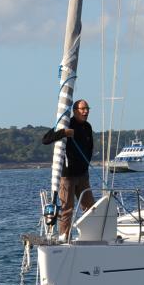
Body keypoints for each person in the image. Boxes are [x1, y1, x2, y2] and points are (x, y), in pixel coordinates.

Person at [42, 99, 95, 240]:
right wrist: (63, 132)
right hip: (67, 175)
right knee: (67, 208)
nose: (86, 111)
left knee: (90, 207)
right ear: (75, 111)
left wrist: (86, 165)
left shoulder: (87, 127)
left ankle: (92, 235)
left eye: (87, 109)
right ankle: (64, 236)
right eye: (83, 109)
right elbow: (45, 139)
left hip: (83, 174)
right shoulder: (66, 123)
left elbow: (90, 148)